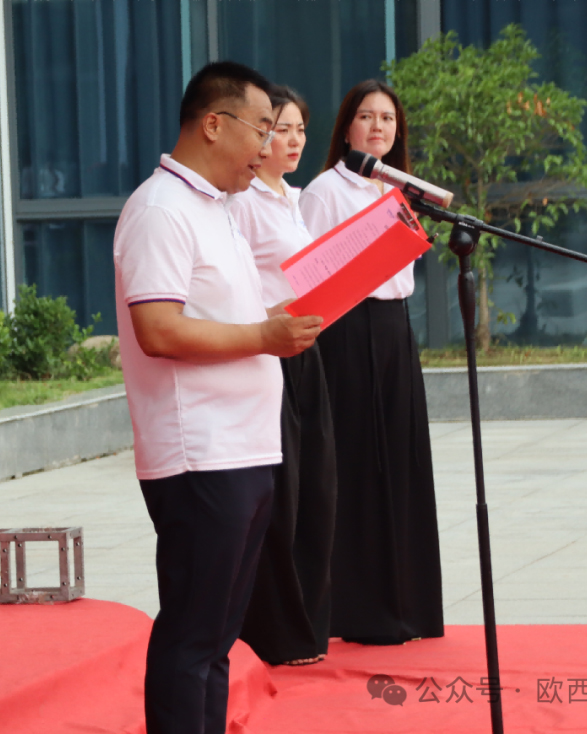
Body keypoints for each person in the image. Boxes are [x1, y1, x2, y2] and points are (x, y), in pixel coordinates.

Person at [113, 62, 322, 734]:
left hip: (245, 446)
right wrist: (263, 335)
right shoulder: (161, 210)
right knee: (194, 631)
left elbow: (226, 312)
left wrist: (278, 320)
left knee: (220, 635)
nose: (267, 147)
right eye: (261, 128)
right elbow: (158, 329)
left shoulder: (221, 209)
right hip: (200, 452)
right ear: (212, 124)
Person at [298, 80, 444, 646]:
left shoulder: (399, 188)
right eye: (366, 116)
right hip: (346, 333)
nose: (378, 127)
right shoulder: (324, 191)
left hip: (394, 330)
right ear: (346, 129)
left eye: (387, 118)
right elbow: (309, 276)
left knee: (402, 461)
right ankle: (360, 610)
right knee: (360, 465)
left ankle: (411, 605)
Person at [229, 86, 337, 667]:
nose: (292, 140)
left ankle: (310, 628)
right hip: (267, 350)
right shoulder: (244, 202)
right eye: (279, 130)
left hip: (307, 351)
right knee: (283, 493)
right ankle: (275, 631)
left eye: (299, 129)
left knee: (317, 488)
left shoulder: (294, 198)